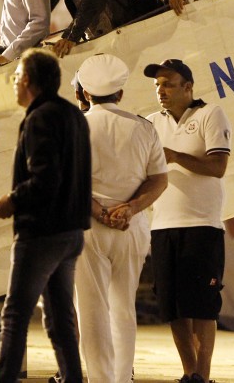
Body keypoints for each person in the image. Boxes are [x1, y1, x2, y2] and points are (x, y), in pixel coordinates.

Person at [0, 48, 91, 383]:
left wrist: (12, 199)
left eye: (17, 77)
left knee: (15, 314)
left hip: (42, 232)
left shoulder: (40, 118)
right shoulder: (73, 115)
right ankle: (72, 378)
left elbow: (46, 177)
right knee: (60, 318)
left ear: (29, 81)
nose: (14, 84)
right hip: (71, 233)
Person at [72, 54, 168, 383]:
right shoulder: (144, 127)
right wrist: (129, 208)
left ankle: (100, 378)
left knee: (92, 308)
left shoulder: (75, 127)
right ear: (121, 93)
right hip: (132, 226)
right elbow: (159, 180)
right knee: (124, 306)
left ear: (84, 93)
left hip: (88, 226)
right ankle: (123, 377)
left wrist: (99, 211)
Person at [143, 59, 232, 383]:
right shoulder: (151, 122)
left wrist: (176, 156)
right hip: (163, 225)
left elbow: (218, 166)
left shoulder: (210, 115)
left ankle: (203, 376)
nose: (161, 90)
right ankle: (189, 372)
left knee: (204, 305)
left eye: (168, 83)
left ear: (188, 87)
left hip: (202, 225)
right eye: (157, 85)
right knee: (173, 306)